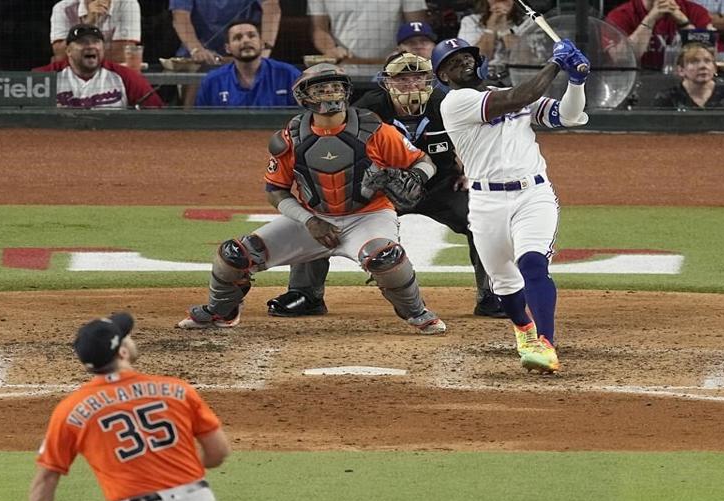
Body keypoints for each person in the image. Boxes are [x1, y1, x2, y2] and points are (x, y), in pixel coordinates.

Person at [177, 63, 448, 336]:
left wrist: (417, 177)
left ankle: (417, 313)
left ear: (347, 92)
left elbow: (424, 161)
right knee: (233, 255)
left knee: (385, 258)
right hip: (314, 218)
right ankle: (220, 311)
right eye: (321, 89)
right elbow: (275, 191)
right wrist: (310, 221)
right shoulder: (290, 137)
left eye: (336, 87)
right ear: (305, 97)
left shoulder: (376, 130)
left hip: (369, 215)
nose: (330, 93)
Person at [14, 311, 230, 501]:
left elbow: (47, 477)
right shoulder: (177, 389)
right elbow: (218, 453)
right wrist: (170, 466)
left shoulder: (71, 410)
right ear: (123, 351)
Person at [267, 52, 507, 319]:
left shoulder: (448, 104)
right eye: (402, 78)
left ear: (430, 79)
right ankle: (306, 294)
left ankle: (493, 293)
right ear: (386, 82)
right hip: (380, 189)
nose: (412, 85)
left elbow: (482, 136)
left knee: (484, 218)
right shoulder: (367, 109)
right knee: (325, 208)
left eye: (418, 77)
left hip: (441, 183)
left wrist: (473, 169)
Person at [432, 37, 591, 373]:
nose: (462, 62)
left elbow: (569, 116)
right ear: (443, 76)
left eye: (466, 56)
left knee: (533, 263)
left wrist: (576, 82)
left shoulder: (512, 95)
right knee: (503, 282)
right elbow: (519, 96)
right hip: (486, 201)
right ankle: (524, 329)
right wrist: (555, 64)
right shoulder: (457, 102)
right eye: (451, 62)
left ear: (478, 61)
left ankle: (546, 344)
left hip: (533, 194)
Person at [33, 24, 165, 109]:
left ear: (103, 48)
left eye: (95, 42)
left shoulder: (125, 77)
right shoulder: (45, 77)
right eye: (82, 42)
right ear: (68, 51)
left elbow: (158, 114)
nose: (90, 46)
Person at [195, 19, 302, 107]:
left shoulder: (289, 74)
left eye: (251, 36)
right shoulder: (212, 81)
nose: (245, 41)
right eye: (238, 38)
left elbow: (306, 116)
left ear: (262, 43)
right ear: (228, 48)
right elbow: (199, 123)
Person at [309, 0, 427, 69]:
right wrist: (331, 49)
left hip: (395, 69)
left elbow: (418, 28)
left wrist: (406, 54)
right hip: (345, 69)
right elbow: (319, 29)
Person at [605, 0, 714, 71]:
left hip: (686, 85)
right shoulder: (621, 15)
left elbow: (708, 56)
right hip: (636, 83)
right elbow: (622, 59)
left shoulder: (696, 12)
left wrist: (683, 22)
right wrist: (650, 19)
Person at [172, 0, 279, 63]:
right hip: (200, 59)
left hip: (244, 55)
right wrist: (196, 50)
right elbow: (180, 16)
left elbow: (272, 8)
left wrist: (263, 52)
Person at [457, 0, 535, 85]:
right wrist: (491, 29)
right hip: (481, 79)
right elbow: (475, 60)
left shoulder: (530, 21)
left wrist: (504, 29)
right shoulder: (470, 21)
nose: (500, 2)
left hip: (516, 78)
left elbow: (525, 60)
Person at [653, 41, 724, 108]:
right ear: (681, 70)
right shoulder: (667, 97)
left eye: (707, 61)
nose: (703, 66)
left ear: (715, 68)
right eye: (694, 61)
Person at [50, 0, 142, 63]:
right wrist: (88, 24)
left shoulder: (128, 4)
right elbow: (61, 55)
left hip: (114, 75)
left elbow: (123, 54)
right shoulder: (62, 8)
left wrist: (77, 53)